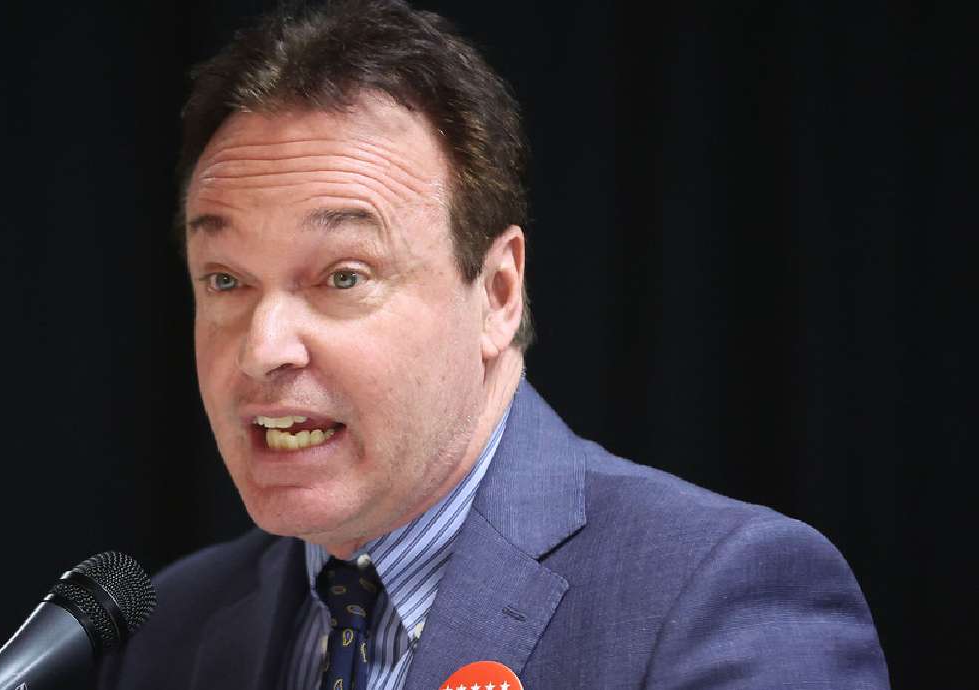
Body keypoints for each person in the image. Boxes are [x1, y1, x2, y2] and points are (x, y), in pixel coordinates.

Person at [103, 1, 889, 688]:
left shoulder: (717, 594)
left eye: (343, 277)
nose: (262, 349)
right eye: (226, 282)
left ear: (499, 293)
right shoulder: (170, 630)